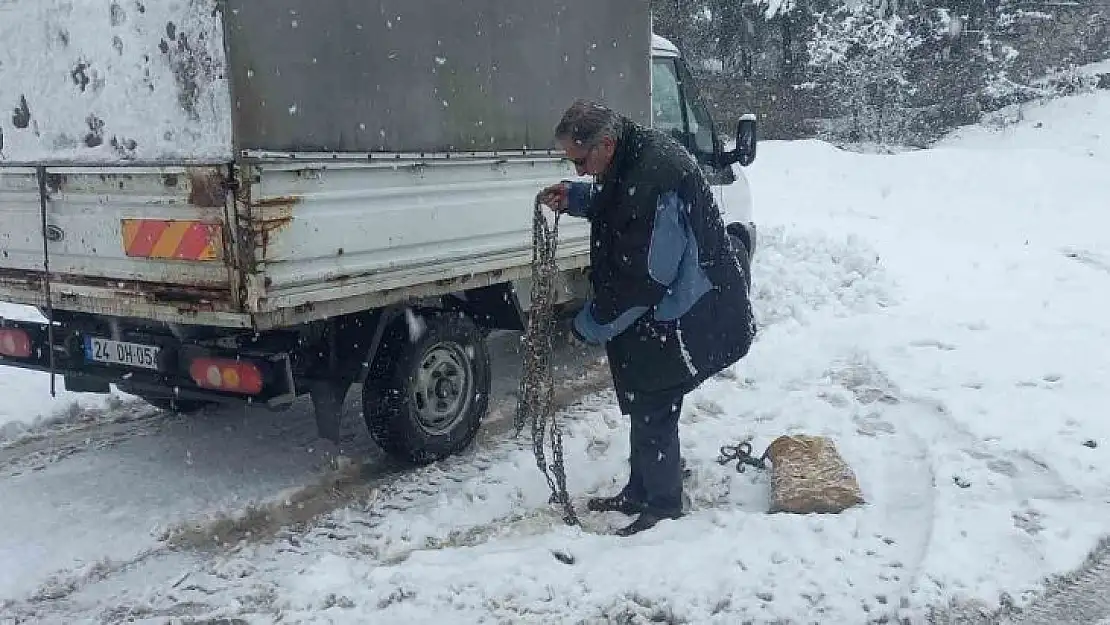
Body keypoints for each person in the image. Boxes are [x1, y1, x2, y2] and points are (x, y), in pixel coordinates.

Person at [538, 99, 756, 536]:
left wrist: (588, 325)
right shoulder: (632, 157)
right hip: (665, 307)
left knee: (656, 399)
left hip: (687, 308)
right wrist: (579, 198)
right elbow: (621, 202)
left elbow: (647, 278)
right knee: (643, 397)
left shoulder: (655, 174)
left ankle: (662, 504)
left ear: (606, 144)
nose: (580, 170)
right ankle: (641, 489)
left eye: (581, 162)